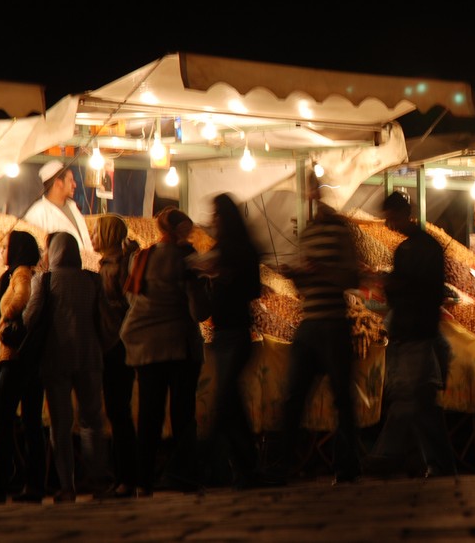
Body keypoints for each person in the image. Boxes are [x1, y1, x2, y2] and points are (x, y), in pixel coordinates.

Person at [267, 180, 363, 486]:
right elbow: (306, 285)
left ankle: (346, 466)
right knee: (294, 395)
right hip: (309, 323)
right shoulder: (307, 233)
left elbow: (351, 275)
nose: (312, 197)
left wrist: (319, 270)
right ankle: (284, 464)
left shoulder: (340, 231)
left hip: (334, 322)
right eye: (308, 191)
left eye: (316, 190)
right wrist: (296, 276)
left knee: (342, 399)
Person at [119, 208, 211, 497]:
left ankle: (144, 480)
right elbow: (199, 311)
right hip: (179, 346)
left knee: (149, 414)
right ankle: (184, 476)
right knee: (183, 414)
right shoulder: (188, 260)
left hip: (145, 345)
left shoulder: (141, 257)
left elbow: (132, 297)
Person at [366, 190, 457, 479]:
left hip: (415, 331)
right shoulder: (420, 247)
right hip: (417, 330)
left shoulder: (416, 249)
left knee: (407, 399)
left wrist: (390, 284)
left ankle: (384, 457)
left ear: (404, 215)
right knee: (423, 404)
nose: (389, 225)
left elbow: (420, 291)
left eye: (391, 218)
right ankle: (440, 464)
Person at [23, 231, 113, 502]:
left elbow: (30, 317)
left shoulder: (45, 279)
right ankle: (99, 482)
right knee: (92, 422)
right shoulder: (93, 279)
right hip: (90, 358)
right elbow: (107, 321)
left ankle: (67, 487)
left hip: (55, 360)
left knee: (61, 426)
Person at [191, 193, 263, 490]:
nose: (213, 220)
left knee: (224, 404)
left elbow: (253, 289)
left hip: (236, 333)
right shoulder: (226, 248)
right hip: (224, 334)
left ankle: (203, 464)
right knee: (230, 405)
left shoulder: (240, 250)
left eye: (217, 214)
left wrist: (222, 277)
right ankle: (247, 470)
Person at [0, 229, 47, 504]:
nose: (4, 250)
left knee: (2, 420)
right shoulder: (28, 271)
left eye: (8, 245)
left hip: (13, 356)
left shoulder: (20, 273)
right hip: (30, 358)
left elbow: (21, 297)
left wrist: (6, 315)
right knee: (32, 422)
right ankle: (34, 485)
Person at [92, 214, 140, 499]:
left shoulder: (121, 267)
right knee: (115, 411)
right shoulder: (107, 266)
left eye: (97, 232)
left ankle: (127, 478)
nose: (93, 237)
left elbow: (129, 305)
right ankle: (121, 476)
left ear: (109, 235)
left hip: (118, 345)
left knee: (119, 412)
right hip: (109, 345)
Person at [22, 161, 95, 257]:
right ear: (58, 183)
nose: (75, 185)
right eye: (70, 180)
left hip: (85, 268)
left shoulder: (73, 207)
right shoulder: (36, 214)